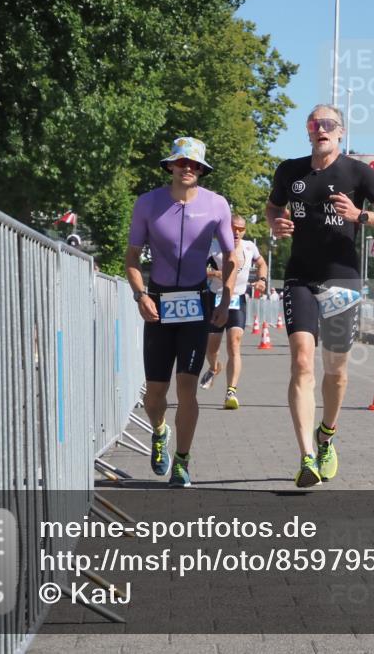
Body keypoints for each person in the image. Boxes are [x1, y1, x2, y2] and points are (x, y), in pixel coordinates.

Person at [266, 104, 374, 487]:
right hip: (299, 277)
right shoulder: (289, 171)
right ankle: (306, 458)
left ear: (341, 133)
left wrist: (360, 216)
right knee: (301, 362)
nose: (321, 129)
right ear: (308, 132)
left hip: (341, 279)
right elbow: (273, 206)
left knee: (337, 372)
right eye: (315, 124)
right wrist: (275, 224)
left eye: (328, 124)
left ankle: (326, 435)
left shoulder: (358, 173)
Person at [125, 136, 236, 487]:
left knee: (187, 388)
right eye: (181, 162)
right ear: (170, 165)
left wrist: (225, 299)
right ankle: (159, 432)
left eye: (194, 164)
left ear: (202, 170)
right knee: (155, 393)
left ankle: (183, 463)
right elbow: (130, 258)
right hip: (158, 301)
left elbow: (232, 258)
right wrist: (141, 295)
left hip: (196, 302)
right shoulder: (147, 204)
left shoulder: (217, 205)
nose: (188, 168)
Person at [200, 214, 268, 410]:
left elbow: (262, 263)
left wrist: (262, 280)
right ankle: (214, 367)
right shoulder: (213, 246)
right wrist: (214, 273)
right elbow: (196, 268)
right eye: (233, 228)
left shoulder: (249, 247)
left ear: (245, 231)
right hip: (216, 298)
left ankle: (231, 391)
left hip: (237, 298)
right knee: (211, 348)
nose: (236, 232)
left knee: (234, 344)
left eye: (240, 229)